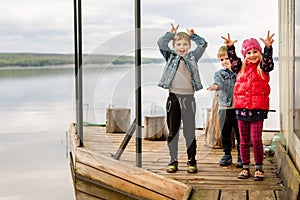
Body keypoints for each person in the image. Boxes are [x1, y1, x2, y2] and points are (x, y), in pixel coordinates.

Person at [221, 31, 275, 180]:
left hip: (258, 109)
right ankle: (245, 167)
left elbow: (268, 61)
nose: (252, 55)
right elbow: (233, 60)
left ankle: (259, 167)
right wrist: (230, 48)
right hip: (242, 109)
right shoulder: (240, 67)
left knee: (256, 140)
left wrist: (268, 48)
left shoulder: (263, 67)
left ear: (260, 52)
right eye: (249, 52)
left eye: (255, 51)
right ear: (245, 55)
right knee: (243, 141)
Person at [157, 23, 207, 173]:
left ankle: (192, 160)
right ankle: (173, 160)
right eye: (178, 44)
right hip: (173, 99)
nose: (182, 47)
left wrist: (193, 35)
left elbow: (203, 44)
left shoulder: (193, 56)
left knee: (189, 132)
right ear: (174, 45)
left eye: (185, 44)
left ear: (189, 45)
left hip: (189, 99)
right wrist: (171, 34)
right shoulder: (170, 56)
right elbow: (161, 42)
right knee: (173, 131)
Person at [207, 46, 242, 168]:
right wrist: (215, 87)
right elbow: (219, 84)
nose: (224, 61)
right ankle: (227, 154)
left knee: (240, 133)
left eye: (227, 58)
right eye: (221, 59)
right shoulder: (219, 73)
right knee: (225, 133)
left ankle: (241, 155)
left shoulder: (239, 72)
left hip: (238, 107)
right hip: (224, 108)